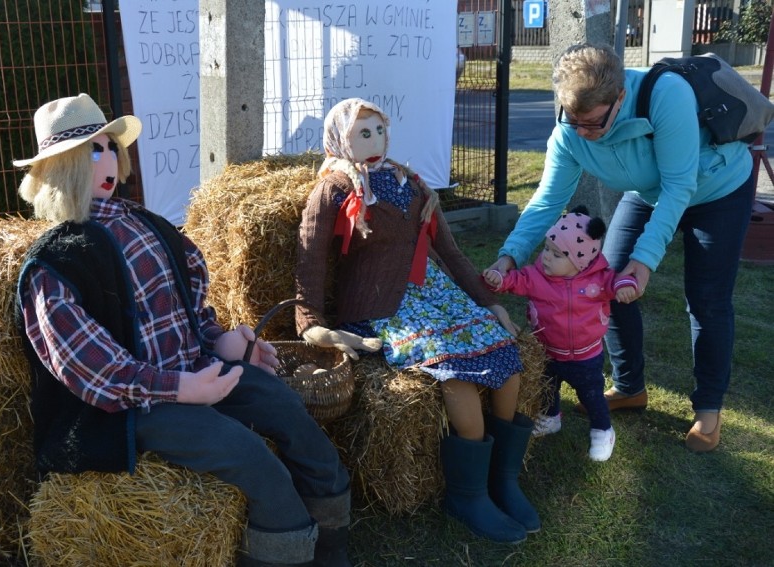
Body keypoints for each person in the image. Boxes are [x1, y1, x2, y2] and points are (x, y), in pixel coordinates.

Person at [12, 93, 352, 567]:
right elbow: (89, 369)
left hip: (194, 369)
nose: (109, 159)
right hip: (132, 406)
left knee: (290, 413)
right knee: (252, 458)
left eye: (112, 147)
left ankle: (333, 541)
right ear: (61, 167)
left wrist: (220, 341)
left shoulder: (144, 223)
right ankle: (286, 553)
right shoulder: (54, 264)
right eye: (95, 150)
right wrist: (180, 389)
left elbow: (187, 305)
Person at [487, 43, 755, 453]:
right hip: (647, 192)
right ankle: (630, 387)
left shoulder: (666, 94)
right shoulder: (570, 130)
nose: (581, 132)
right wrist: (511, 256)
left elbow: (678, 185)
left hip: (717, 187)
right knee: (609, 283)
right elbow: (546, 201)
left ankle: (708, 407)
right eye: (572, 120)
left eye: (593, 124)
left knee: (707, 299)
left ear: (620, 98)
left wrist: (644, 261)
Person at [294, 98, 539, 544]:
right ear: (339, 140)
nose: (375, 142)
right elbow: (309, 259)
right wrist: (310, 320)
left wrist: (489, 303)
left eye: (379, 131)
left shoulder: (412, 184)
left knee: (507, 358)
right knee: (456, 371)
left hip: (432, 293)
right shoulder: (334, 189)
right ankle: (468, 495)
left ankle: (503, 479)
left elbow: (450, 252)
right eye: (362, 134)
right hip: (379, 305)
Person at [483, 206, 638, 461]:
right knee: (548, 388)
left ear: (580, 261)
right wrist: (500, 279)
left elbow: (617, 281)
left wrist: (626, 286)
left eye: (557, 254)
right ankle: (550, 417)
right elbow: (517, 280)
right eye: (546, 248)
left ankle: (602, 430)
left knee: (590, 395)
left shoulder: (598, 280)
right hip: (547, 350)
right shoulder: (536, 276)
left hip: (586, 356)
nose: (546, 257)